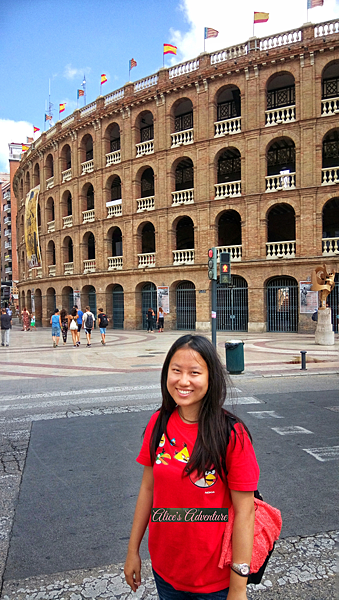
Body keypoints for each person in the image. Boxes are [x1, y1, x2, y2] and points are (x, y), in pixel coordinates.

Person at [124, 334, 259, 600]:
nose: (183, 381)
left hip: (216, 580)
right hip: (166, 572)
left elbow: (246, 513)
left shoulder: (232, 434)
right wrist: (132, 551)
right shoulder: (158, 423)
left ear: (211, 378)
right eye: (176, 371)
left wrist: (238, 588)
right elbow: (148, 488)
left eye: (194, 372)